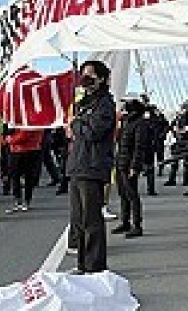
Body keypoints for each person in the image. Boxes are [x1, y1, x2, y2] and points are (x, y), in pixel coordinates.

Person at [66, 59, 117, 274]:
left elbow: (93, 132)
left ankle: (95, 267)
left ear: (102, 78)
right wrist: (77, 124)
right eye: (83, 75)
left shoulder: (105, 104)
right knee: (78, 220)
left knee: (91, 220)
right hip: (78, 165)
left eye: (90, 75)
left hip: (93, 167)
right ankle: (82, 265)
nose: (85, 79)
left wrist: (75, 124)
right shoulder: (83, 103)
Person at [112, 97, 151, 238]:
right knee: (123, 194)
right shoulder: (126, 123)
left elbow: (139, 147)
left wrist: (135, 166)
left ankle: (137, 225)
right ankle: (125, 222)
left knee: (132, 195)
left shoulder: (139, 124)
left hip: (129, 164)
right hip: (121, 162)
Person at [4, 123, 43, 213]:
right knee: (16, 177)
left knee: (27, 176)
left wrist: (10, 140)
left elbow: (26, 133)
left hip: (27, 149)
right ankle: (19, 201)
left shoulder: (30, 118)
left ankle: (25, 201)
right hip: (17, 150)